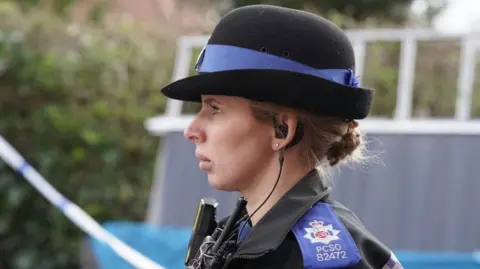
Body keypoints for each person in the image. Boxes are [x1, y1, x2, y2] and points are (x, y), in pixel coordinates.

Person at [160, 4, 404, 269]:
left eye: (215, 109)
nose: (191, 131)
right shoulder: (239, 233)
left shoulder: (321, 262)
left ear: (282, 129)